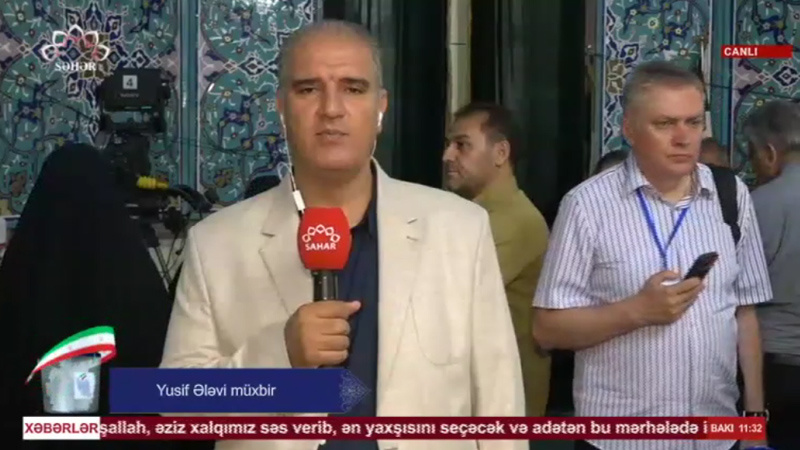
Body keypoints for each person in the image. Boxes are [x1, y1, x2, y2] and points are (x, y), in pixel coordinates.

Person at [161, 20, 525, 450]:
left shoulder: (460, 230)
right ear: (281, 107)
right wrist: (278, 356)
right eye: (308, 89)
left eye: (353, 88)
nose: (331, 109)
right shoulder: (216, 244)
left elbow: (499, 405)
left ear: (380, 108)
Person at [531, 61, 772, 450]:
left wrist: (754, 421)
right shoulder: (586, 205)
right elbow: (547, 329)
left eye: (693, 123)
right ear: (629, 129)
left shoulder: (731, 195)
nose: (683, 138)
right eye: (665, 124)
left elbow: (744, 313)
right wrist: (637, 312)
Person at [443, 102, 551, 418]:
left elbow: (445, 299)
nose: (448, 155)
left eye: (462, 145)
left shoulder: (516, 220)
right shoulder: (473, 214)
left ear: (501, 153)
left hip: (500, 402)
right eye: (449, 144)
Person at [744, 100, 800, 450]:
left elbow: (736, 293)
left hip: (774, 369)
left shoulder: (759, 204)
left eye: (751, 154)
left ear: (769, 152)